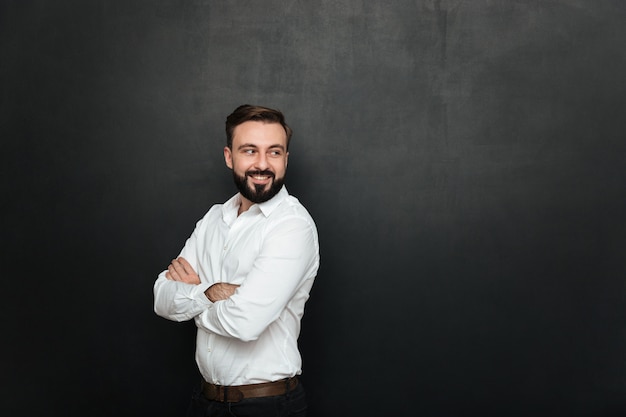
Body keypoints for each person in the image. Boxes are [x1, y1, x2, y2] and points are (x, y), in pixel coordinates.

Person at [153, 104, 320, 417]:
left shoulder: (292, 226)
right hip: (204, 402)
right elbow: (161, 297)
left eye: (274, 152)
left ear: (285, 159)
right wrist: (212, 292)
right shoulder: (213, 219)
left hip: (266, 407)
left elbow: (245, 323)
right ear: (230, 157)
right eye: (249, 151)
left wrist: (192, 303)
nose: (262, 164)